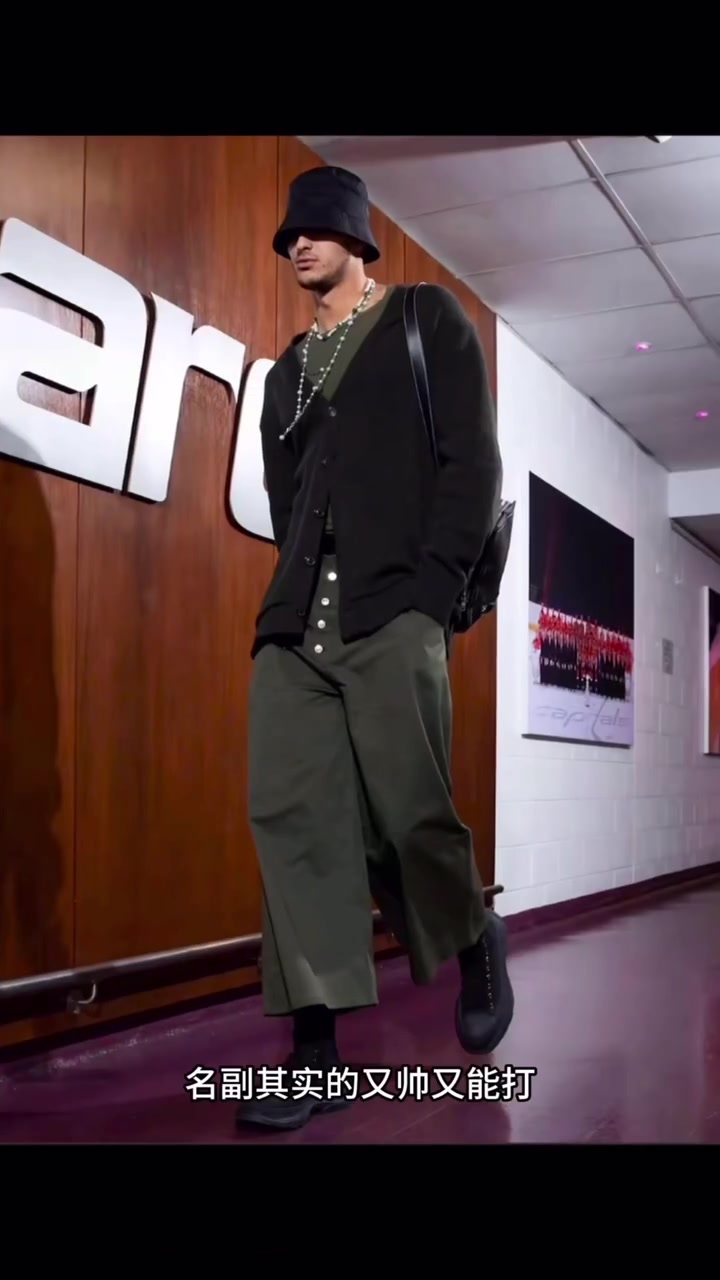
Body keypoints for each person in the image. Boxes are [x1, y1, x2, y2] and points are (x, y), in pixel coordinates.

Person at [237, 165, 514, 1131]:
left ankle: (474, 935)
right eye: (289, 237)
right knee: (295, 826)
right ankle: (313, 1056)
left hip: (395, 611)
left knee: (409, 815)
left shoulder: (424, 320)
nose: (298, 246)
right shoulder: (284, 374)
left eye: (314, 230)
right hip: (294, 631)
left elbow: (473, 462)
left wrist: (430, 598)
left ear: (357, 237)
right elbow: (286, 503)